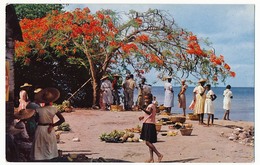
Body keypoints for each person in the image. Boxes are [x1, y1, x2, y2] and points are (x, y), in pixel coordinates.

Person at [30, 87, 65, 161]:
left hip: (40, 128)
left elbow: (36, 120)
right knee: (49, 145)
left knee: (40, 145)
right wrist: (53, 125)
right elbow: (62, 120)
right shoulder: (54, 109)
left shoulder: (39, 110)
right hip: (50, 128)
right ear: (51, 100)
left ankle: (40, 159)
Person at [139, 96, 163, 163]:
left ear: (150, 99)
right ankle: (151, 158)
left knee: (147, 142)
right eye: (145, 98)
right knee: (150, 142)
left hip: (149, 124)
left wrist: (142, 108)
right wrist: (142, 117)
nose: (146, 100)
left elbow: (149, 112)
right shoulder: (149, 106)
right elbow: (149, 115)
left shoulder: (151, 106)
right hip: (147, 123)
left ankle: (159, 154)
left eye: (147, 99)